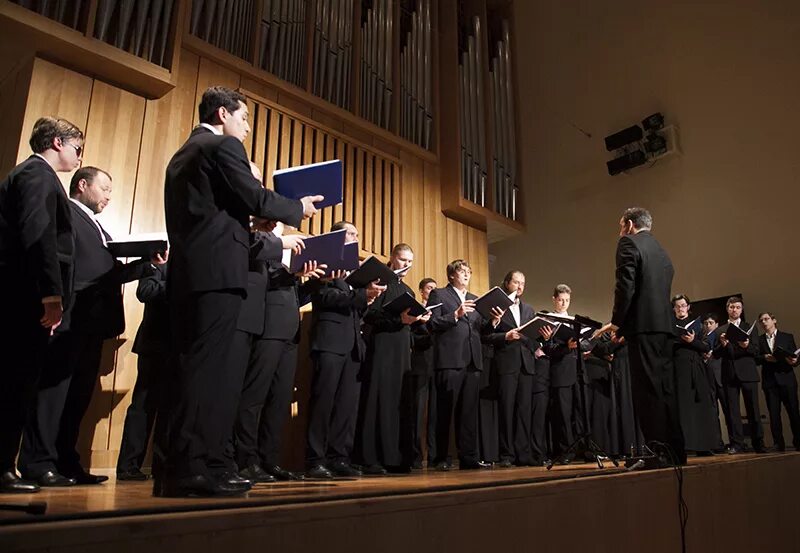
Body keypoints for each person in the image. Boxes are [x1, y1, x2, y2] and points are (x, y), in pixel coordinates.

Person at [160, 86, 320, 497]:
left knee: (196, 371)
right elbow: (252, 194)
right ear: (221, 113)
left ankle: (193, 464)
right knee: (205, 375)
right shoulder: (220, 146)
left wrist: (251, 224)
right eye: (244, 118)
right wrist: (295, 208)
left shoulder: (185, 153)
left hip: (193, 274)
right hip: (217, 275)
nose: (247, 127)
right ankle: (190, 470)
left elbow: (214, 213)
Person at [20, 167, 166, 487]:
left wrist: (147, 265)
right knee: (53, 395)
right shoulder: (67, 213)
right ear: (83, 185)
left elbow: (108, 273)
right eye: (105, 189)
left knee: (77, 397)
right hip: (70, 318)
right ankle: (37, 462)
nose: (109, 196)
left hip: (92, 324)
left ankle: (66, 461)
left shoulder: (99, 227)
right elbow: (59, 261)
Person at [0, 117, 82, 493]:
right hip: (23, 295)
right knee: (13, 382)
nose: (79, 157)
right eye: (76, 148)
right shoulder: (37, 175)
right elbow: (38, 235)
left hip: (22, 292)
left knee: (18, 382)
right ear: (55, 142)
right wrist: (51, 294)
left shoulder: (36, 176)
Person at [233, 220, 322, 483]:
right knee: (255, 396)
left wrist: (316, 280)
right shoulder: (263, 245)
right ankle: (245, 460)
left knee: (279, 400)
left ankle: (269, 460)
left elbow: (295, 295)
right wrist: (291, 273)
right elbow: (266, 282)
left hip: (290, 332)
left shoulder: (286, 249)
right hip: (268, 327)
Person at [305, 222, 385, 479]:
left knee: (346, 406)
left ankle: (339, 457)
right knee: (323, 402)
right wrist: (362, 296)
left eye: (357, 235)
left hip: (352, 344)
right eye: (351, 233)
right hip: (329, 341)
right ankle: (314, 459)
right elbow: (323, 298)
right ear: (337, 236)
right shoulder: (325, 262)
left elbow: (356, 309)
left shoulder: (355, 271)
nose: (356, 238)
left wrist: (368, 298)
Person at [607, 207, 685, 465]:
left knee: (647, 392)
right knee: (666, 390)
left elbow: (625, 286)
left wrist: (618, 322)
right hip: (665, 328)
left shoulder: (628, 243)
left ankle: (657, 453)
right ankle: (675, 452)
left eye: (621, 226)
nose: (620, 232)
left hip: (643, 328)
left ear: (629, 224)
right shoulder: (663, 251)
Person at [358, 243, 429, 474]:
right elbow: (370, 315)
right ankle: (373, 457)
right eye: (402, 260)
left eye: (410, 262)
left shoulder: (407, 289)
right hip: (382, 346)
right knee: (380, 398)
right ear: (392, 258)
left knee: (399, 401)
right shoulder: (381, 282)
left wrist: (418, 320)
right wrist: (400, 320)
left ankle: (397, 457)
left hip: (401, 348)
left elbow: (406, 320)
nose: (406, 265)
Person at [426, 259, 497, 470]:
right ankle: (440, 458)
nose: (466, 275)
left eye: (468, 272)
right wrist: (455, 315)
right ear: (451, 276)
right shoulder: (439, 294)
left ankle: (469, 457)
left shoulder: (476, 300)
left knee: (468, 412)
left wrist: (493, 322)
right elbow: (432, 323)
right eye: (461, 272)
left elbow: (482, 331)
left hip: (473, 361)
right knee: (445, 410)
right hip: (450, 359)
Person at [116, 263, 170, 481]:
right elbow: (145, 291)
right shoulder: (161, 256)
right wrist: (182, 285)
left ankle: (162, 466)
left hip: (184, 345)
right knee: (143, 405)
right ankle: (128, 466)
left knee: (172, 409)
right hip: (156, 342)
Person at [483, 270, 535, 467]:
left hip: (526, 365)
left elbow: (534, 341)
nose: (520, 286)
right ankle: (507, 454)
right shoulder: (496, 307)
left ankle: (523, 453)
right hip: (506, 364)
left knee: (524, 410)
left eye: (523, 283)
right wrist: (505, 336)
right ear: (506, 283)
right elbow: (485, 335)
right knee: (507, 409)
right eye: (516, 282)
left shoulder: (529, 309)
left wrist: (542, 337)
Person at [712, 297, 765, 454]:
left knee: (753, 410)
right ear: (727, 309)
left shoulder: (749, 328)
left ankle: (758, 443)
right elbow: (715, 354)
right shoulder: (720, 330)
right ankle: (737, 444)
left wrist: (746, 346)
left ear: (741, 310)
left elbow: (756, 351)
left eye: (738, 307)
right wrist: (723, 345)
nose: (734, 310)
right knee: (733, 411)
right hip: (729, 373)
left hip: (747, 372)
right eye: (732, 307)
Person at [670, 295, 717, 455]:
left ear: (688, 307)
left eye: (683, 305)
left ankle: (704, 446)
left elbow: (706, 347)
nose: (681, 309)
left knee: (701, 405)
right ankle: (686, 445)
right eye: (678, 306)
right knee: (684, 408)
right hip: (678, 369)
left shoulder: (698, 324)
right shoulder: (670, 325)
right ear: (674, 308)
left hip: (696, 367)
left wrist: (692, 341)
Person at [538, 284, 579, 462]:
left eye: (567, 300)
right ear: (554, 299)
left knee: (573, 414)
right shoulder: (548, 320)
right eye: (561, 300)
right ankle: (563, 452)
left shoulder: (572, 320)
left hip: (575, 371)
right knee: (560, 414)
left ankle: (574, 449)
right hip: (557, 371)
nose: (564, 303)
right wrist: (565, 348)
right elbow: (547, 349)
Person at [755, 312, 800, 452]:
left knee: (794, 412)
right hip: (770, 381)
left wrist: (794, 361)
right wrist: (764, 358)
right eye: (761, 320)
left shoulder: (787, 337)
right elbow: (755, 358)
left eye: (767, 319)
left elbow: (795, 357)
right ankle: (778, 443)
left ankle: (798, 441)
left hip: (787, 379)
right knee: (774, 414)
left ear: (774, 320)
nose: (764, 322)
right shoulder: (759, 340)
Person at [408, 277, 437, 469]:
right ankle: (415, 455)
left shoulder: (440, 310)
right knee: (417, 412)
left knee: (435, 412)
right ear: (421, 291)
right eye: (428, 289)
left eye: (435, 289)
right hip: (420, 363)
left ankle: (434, 456)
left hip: (439, 363)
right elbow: (411, 336)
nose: (432, 292)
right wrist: (422, 322)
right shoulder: (415, 308)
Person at [702, 313, 728, 451]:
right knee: (713, 413)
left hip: (721, 377)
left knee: (728, 411)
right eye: (706, 323)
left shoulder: (721, 335)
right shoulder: (702, 337)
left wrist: (712, 353)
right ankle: (717, 443)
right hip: (708, 378)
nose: (708, 325)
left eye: (711, 322)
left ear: (717, 324)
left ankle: (736, 443)